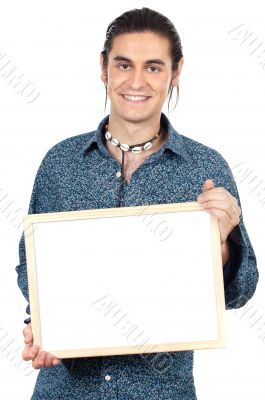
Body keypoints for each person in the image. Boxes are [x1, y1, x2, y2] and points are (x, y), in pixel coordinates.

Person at [16, 7, 258, 400]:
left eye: (154, 67)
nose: (136, 81)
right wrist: (43, 325)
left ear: (176, 73)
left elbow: (240, 292)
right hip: (66, 390)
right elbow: (30, 264)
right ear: (103, 68)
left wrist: (225, 244)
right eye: (124, 64)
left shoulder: (206, 168)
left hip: (161, 391)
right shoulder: (59, 162)